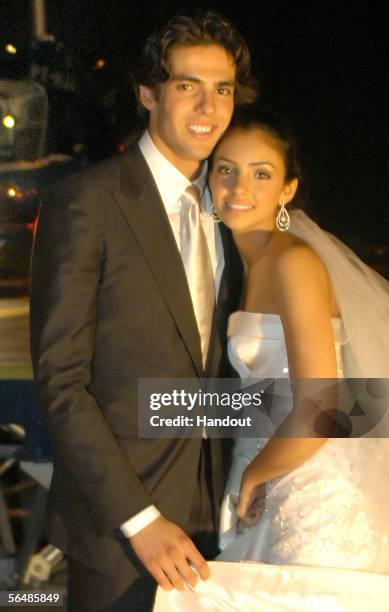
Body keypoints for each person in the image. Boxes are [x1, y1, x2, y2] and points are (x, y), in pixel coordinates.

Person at [29, 12, 257, 612]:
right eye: (188, 85)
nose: (209, 106)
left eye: (224, 88)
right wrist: (140, 518)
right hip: (122, 536)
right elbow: (61, 382)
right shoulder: (87, 200)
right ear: (148, 92)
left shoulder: (236, 206)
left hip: (224, 520)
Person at [153, 109, 389, 610]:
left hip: (308, 487)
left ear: (287, 189)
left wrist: (256, 475)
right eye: (226, 169)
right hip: (265, 472)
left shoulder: (293, 262)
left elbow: (322, 406)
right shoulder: (248, 264)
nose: (240, 186)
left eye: (262, 173)